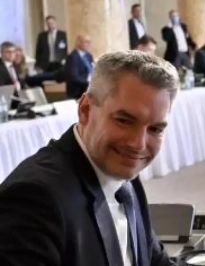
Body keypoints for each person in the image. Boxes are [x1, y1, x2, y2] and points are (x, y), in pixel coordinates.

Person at [0, 50, 179, 266]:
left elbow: (155, 261)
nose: (138, 145)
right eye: (124, 120)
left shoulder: (124, 174)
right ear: (85, 110)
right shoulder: (34, 199)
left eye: (156, 129)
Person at [64, 35, 94, 99]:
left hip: (88, 89)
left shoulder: (89, 56)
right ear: (78, 43)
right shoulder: (72, 57)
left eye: (89, 42)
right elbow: (74, 78)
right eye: (86, 42)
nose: (89, 44)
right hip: (77, 92)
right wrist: (89, 83)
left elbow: (91, 71)